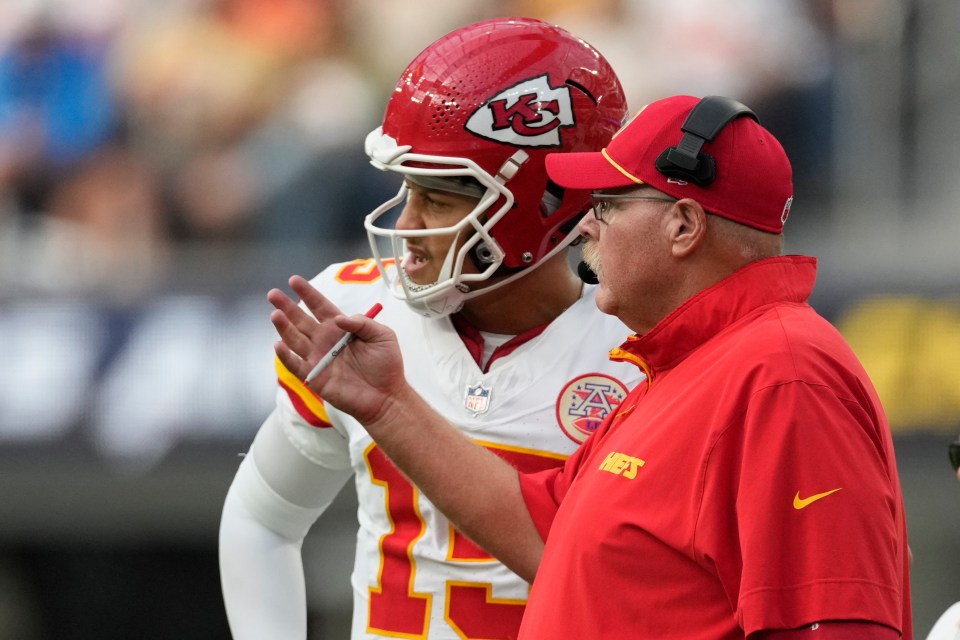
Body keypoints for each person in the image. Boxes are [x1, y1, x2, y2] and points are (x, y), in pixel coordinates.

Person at [268, 94, 914, 639]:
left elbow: (837, 626)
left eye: (606, 205)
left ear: (683, 225)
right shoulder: (689, 363)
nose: (585, 228)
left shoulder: (783, 376)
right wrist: (388, 406)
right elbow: (545, 534)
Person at [218, 17, 640, 639]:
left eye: (438, 198)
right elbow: (263, 518)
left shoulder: (641, 356)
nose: (407, 226)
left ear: (547, 203)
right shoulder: (359, 307)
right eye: (409, 189)